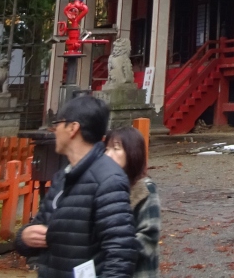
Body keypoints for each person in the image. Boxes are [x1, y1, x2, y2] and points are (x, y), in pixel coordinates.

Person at [17, 95, 137, 278]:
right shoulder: (62, 177)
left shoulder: (108, 179)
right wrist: (24, 237)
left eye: (58, 123)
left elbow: (120, 253)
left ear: (73, 128)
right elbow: (39, 225)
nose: (54, 129)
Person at [106, 126, 160, 278]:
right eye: (107, 148)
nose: (108, 154)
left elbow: (148, 236)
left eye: (116, 148)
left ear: (132, 153)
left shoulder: (145, 188)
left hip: (138, 271)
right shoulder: (105, 186)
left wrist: (113, 252)